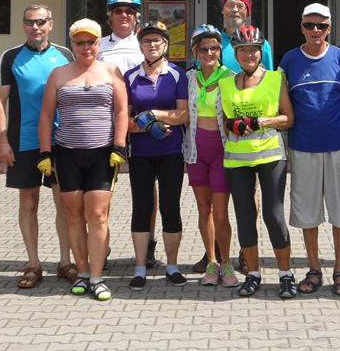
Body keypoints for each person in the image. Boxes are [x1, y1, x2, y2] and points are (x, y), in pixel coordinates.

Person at [37, 18, 128, 302]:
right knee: (73, 216)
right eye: (80, 42)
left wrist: (120, 146)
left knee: (98, 215)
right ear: (73, 44)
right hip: (67, 154)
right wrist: (45, 153)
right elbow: (46, 116)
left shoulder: (111, 71)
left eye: (91, 42)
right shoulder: (59, 74)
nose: (86, 47)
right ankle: (83, 272)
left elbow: (122, 111)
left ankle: (98, 277)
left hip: (102, 154)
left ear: (99, 43)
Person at [0, 4, 76, 289]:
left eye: (40, 22)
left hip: (60, 141)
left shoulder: (65, 55)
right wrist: (1, 139)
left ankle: (65, 262)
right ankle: (33, 264)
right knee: (28, 203)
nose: (35, 27)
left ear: (50, 24)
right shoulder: (10, 57)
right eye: (29, 22)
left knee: (64, 202)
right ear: (24, 25)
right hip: (24, 141)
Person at [280, 3, 340, 296]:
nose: (315, 30)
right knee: (307, 213)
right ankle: (314, 268)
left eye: (321, 26)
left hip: (339, 147)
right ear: (301, 27)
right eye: (310, 25)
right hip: (302, 148)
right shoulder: (289, 60)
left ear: (330, 28)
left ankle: (339, 270)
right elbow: (283, 104)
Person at [217, 25, 297, 298]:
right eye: (243, 50)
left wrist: (261, 121)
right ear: (235, 53)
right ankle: (252, 273)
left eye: (254, 50)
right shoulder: (226, 83)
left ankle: (286, 274)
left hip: (270, 155)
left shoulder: (275, 79)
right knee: (244, 216)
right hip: (237, 159)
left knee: (273, 215)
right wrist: (232, 124)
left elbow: (288, 119)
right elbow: (224, 122)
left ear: (261, 52)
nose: (249, 55)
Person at [124, 21, 189, 289]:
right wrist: (147, 126)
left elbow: (183, 114)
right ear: (140, 45)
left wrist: (153, 115)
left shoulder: (177, 74)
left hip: (171, 152)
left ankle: (172, 266)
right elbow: (125, 120)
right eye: (147, 40)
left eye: (157, 40)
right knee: (141, 207)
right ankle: (140, 268)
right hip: (140, 153)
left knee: (170, 208)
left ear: (166, 45)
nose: (152, 45)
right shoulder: (130, 76)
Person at [98, 0, 158, 267]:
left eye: (130, 11)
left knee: (147, 190)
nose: (124, 15)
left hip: (142, 124)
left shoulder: (145, 43)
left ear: (137, 17)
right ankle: (101, 246)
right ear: (109, 15)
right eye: (118, 11)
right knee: (102, 191)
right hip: (106, 125)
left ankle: (149, 245)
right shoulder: (98, 45)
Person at [183, 24, 238, 287]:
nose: (209, 53)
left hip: (221, 151)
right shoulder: (188, 78)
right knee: (204, 209)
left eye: (214, 48)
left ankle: (227, 262)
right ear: (195, 52)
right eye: (204, 49)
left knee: (221, 212)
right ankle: (212, 262)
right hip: (195, 151)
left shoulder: (230, 77)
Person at [219, 0, 273, 73]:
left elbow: (269, 77)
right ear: (223, 10)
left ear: (248, 13)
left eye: (240, 6)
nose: (235, 10)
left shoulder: (261, 45)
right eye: (230, 5)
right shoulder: (212, 44)